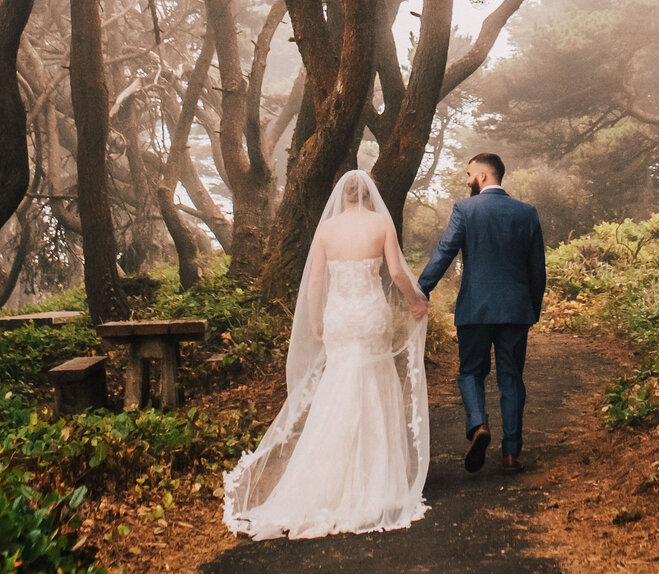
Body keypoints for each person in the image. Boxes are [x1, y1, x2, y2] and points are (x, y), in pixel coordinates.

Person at [223, 169, 431, 539]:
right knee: (373, 384)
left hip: (339, 316)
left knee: (339, 387)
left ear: (342, 195)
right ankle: (377, 480)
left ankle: (324, 481)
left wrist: (317, 320)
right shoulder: (382, 223)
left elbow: (316, 280)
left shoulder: (327, 229)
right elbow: (397, 273)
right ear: (369, 195)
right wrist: (416, 302)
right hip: (369, 315)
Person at [417, 153, 546, 474]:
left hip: (474, 309)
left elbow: (445, 250)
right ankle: (511, 453)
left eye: (469, 174)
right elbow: (537, 269)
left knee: (471, 372)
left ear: (484, 177)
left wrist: (421, 289)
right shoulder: (526, 214)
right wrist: (531, 308)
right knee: (511, 379)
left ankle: (478, 426)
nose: (466, 180)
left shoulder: (466, 209)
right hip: (516, 310)